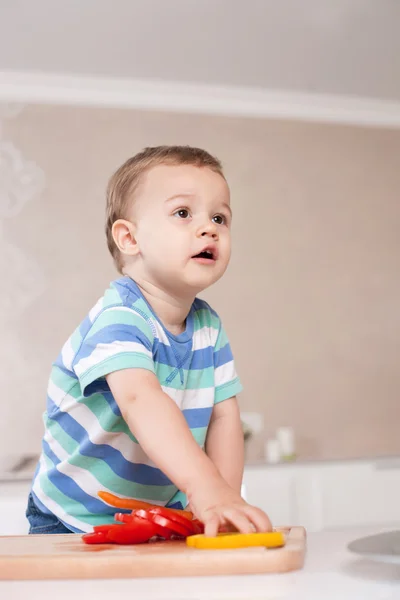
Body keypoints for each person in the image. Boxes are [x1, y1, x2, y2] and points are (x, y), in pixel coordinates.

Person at [26, 145, 272, 537]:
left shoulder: (208, 327)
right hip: (73, 516)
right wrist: (204, 488)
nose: (209, 228)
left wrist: (223, 499)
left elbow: (223, 416)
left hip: (152, 515)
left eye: (220, 218)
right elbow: (141, 399)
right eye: (182, 213)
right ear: (129, 238)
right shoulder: (120, 316)